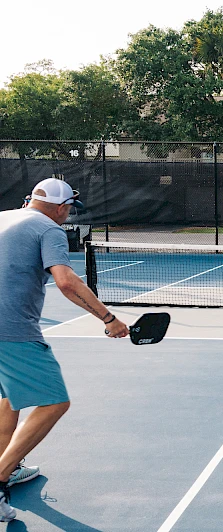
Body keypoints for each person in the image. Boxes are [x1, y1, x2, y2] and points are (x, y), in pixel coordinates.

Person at [0, 178, 129, 522]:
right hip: (11, 330)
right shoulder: (49, 229)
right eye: (69, 208)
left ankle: (7, 467)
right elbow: (67, 281)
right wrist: (109, 318)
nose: (69, 214)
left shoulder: (2, 218)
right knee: (55, 402)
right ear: (61, 207)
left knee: (8, 399)